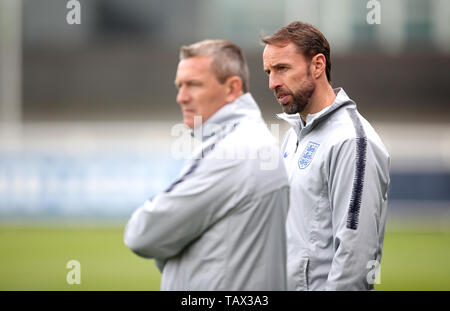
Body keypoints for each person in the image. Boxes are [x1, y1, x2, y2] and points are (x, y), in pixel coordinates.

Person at [124, 39, 289, 290]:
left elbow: (142, 234)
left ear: (232, 88)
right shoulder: (247, 139)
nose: (181, 97)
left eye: (193, 85)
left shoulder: (233, 151)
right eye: (179, 86)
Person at [262, 21, 390, 290]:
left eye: (282, 68)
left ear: (318, 65)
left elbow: (356, 256)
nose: (273, 82)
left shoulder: (352, 141)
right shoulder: (292, 136)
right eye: (269, 72)